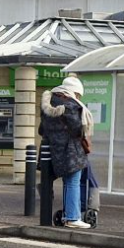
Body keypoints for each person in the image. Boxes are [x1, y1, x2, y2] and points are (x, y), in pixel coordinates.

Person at [40, 76, 94, 229]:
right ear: (74, 92)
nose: (78, 98)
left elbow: (41, 129)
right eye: (78, 95)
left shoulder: (48, 103)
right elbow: (78, 129)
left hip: (51, 149)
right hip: (70, 151)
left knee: (66, 182)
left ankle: (67, 216)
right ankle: (72, 217)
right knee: (73, 182)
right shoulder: (71, 106)